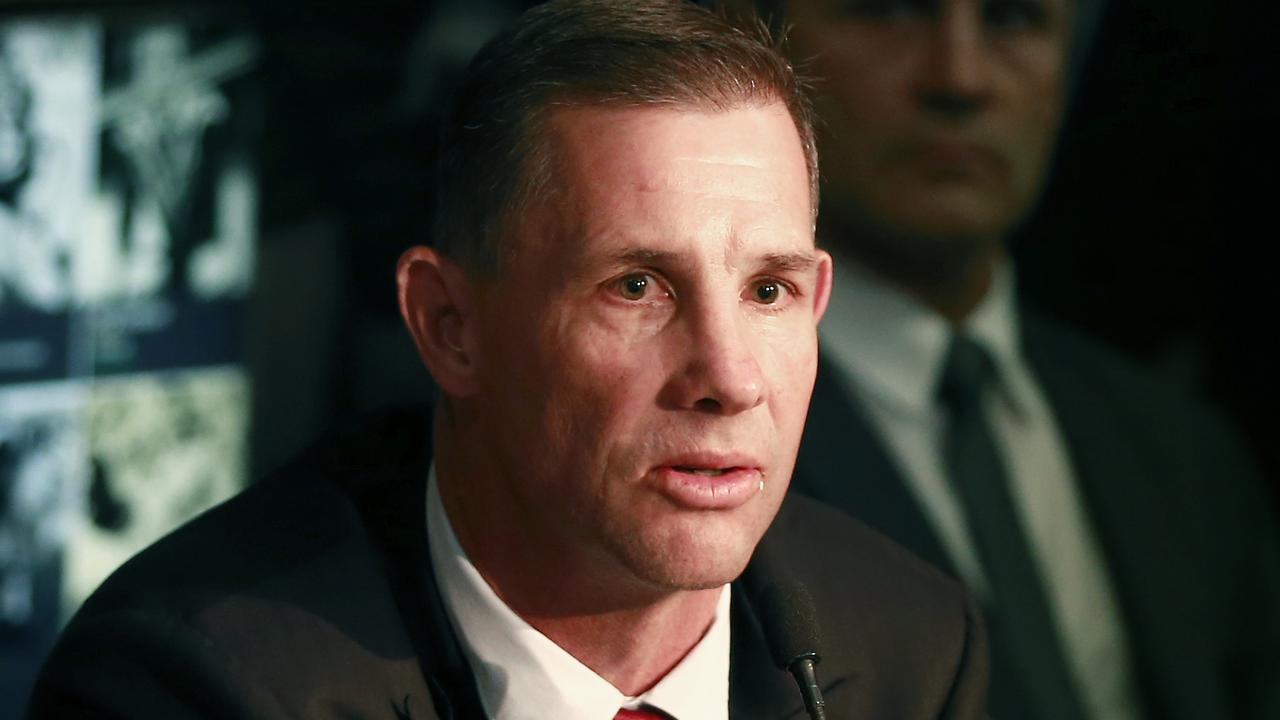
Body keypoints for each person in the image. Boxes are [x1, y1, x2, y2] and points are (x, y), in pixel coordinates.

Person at [26, 2, 990, 718]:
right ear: (450, 326)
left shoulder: (914, 646)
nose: (730, 379)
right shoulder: (194, 687)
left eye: (767, 290)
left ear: (819, 301)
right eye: (638, 287)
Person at [745, 0, 1280, 718]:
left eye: (1014, 18)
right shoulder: (701, 445)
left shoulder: (1182, 454)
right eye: (887, 11)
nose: (960, 78)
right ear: (752, 39)